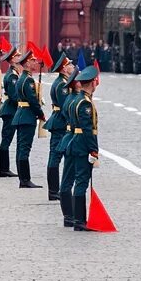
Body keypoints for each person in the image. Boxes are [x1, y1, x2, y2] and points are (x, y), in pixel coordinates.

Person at [60, 64, 100, 232]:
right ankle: (80, 221)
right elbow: (88, 129)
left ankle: (74, 218)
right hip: (81, 145)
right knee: (81, 182)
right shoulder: (85, 103)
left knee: (72, 180)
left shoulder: (75, 99)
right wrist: (94, 150)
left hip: (73, 142)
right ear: (92, 83)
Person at [11, 48, 46, 189]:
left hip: (21, 114)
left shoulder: (22, 78)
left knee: (21, 148)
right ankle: (25, 179)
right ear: (26, 63)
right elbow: (32, 100)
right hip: (27, 116)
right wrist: (40, 113)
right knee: (25, 148)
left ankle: (23, 178)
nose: (34, 62)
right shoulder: (28, 80)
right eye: (32, 60)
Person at [43, 53, 75, 201]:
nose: (72, 67)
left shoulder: (63, 82)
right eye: (69, 65)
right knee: (55, 156)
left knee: (55, 155)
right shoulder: (62, 84)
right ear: (63, 69)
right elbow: (65, 106)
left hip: (59, 121)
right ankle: (54, 190)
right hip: (60, 122)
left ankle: (54, 190)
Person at [0, 46, 21, 178]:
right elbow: (14, 96)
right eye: (18, 56)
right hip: (10, 111)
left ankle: (5, 168)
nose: (20, 57)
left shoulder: (15, 73)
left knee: (7, 139)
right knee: (6, 140)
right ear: (12, 60)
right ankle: (4, 169)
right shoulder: (12, 76)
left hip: (12, 110)